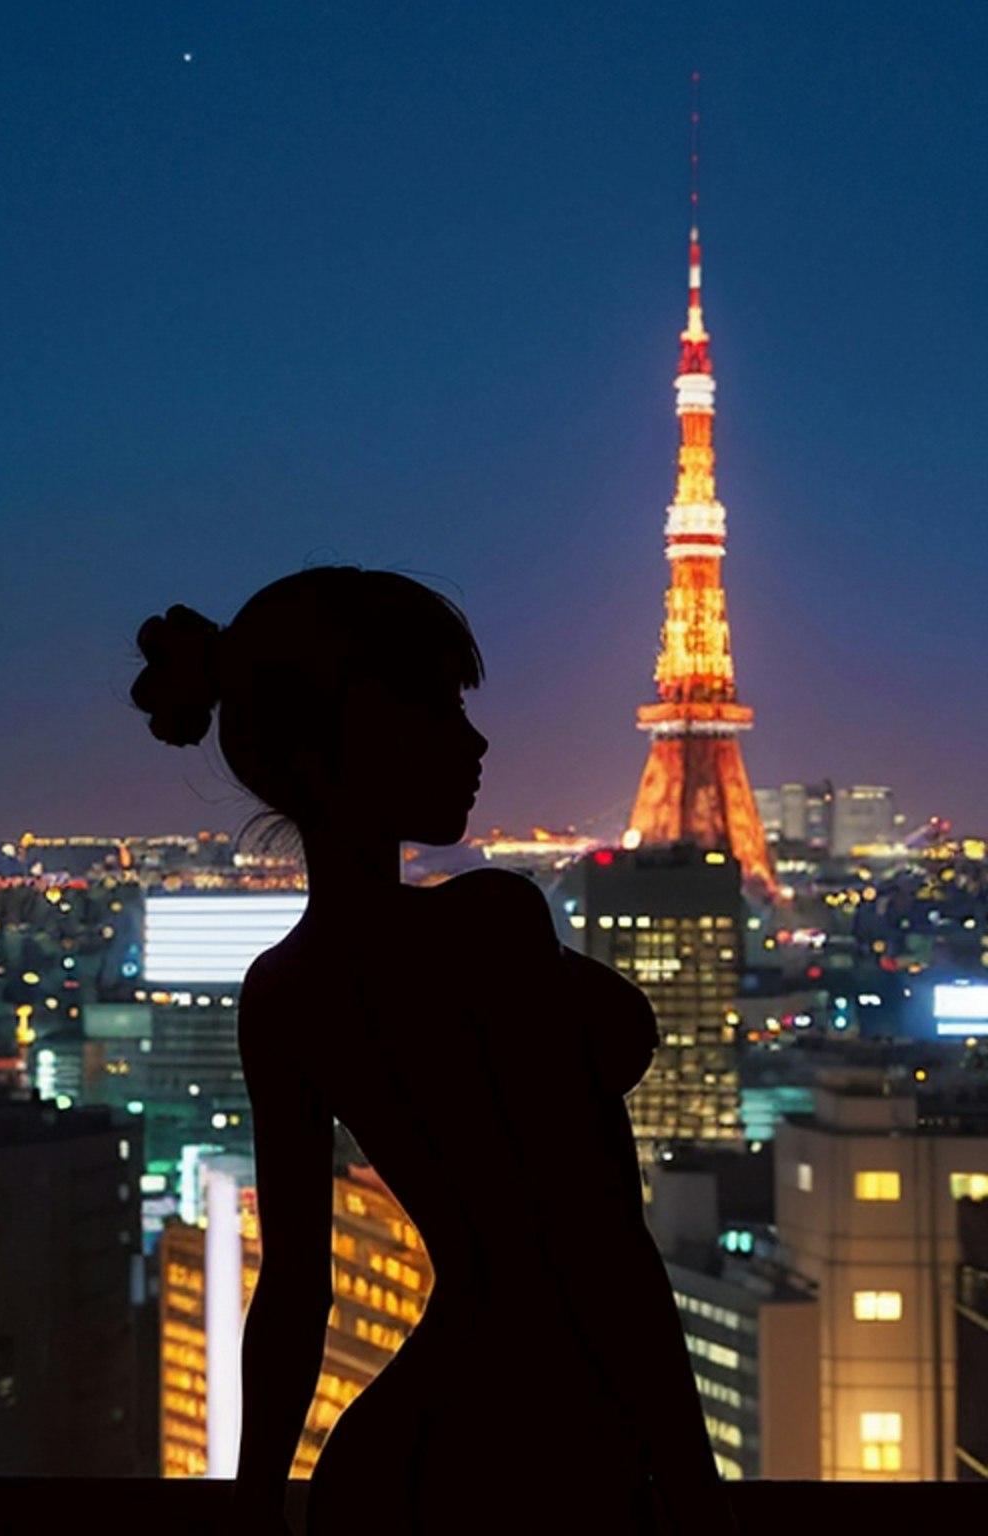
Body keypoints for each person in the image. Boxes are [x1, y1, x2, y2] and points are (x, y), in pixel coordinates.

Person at [131, 566, 733, 1535]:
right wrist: (700, 1499)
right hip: (547, 1446)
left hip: (395, 1455)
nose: (476, 739)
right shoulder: (489, 925)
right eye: (438, 709)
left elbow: (292, 1293)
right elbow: (603, 1246)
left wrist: (249, 1512)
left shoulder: (281, 992)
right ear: (340, 747)